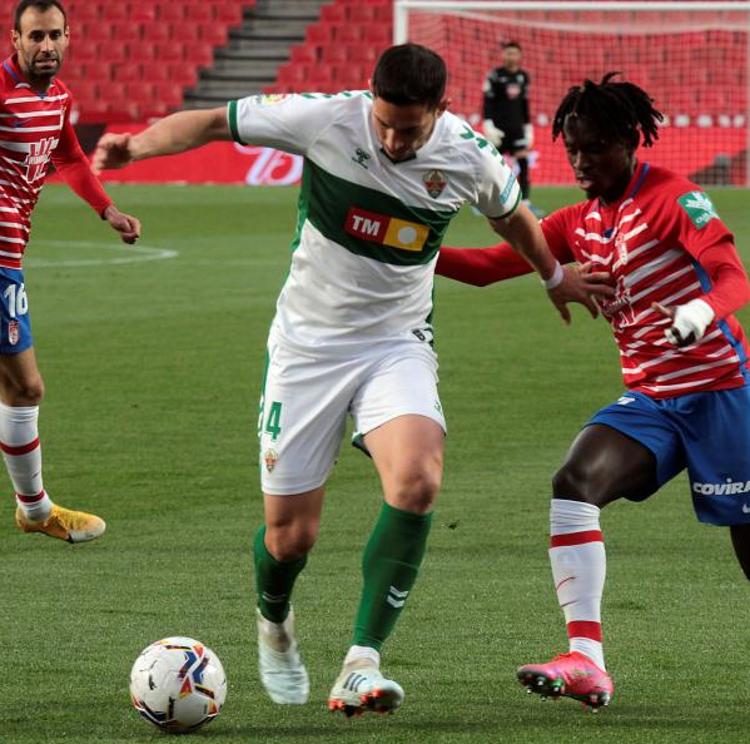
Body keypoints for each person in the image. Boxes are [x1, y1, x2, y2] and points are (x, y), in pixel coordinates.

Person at [92, 44, 610, 715]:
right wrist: (136, 146)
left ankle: (361, 663)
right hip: (306, 350)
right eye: (387, 123)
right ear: (370, 96)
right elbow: (212, 121)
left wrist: (552, 274)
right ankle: (275, 623)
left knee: (418, 480)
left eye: (411, 129)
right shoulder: (325, 120)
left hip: (396, 343)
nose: (396, 140)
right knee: (290, 539)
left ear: (441, 112)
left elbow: (512, 217)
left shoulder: (468, 154)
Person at [436, 72, 750, 711]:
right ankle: (586, 659)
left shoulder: (674, 198)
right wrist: (402, 245)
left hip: (725, 392)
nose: (582, 162)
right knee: (575, 482)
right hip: (655, 402)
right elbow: (489, 268)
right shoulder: (578, 221)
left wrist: (702, 313)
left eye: (596, 148)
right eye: (573, 149)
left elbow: (731, 274)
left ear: (632, 141)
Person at [4, 0, 140, 544]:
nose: (46, 46)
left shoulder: (57, 98)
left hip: (10, 255)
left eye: (55, 35)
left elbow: (68, 156)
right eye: (35, 36)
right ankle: (34, 509)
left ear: (69, 37)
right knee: (25, 387)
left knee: (19, 390)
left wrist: (106, 209)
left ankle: (33, 508)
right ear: (14, 39)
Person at [482, 41, 542, 217]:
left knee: (523, 164)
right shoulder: (494, 76)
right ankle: (486, 201)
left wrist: (528, 126)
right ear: (503, 55)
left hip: (517, 129)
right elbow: (488, 102)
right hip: (498, 130)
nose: (511, 57)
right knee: (493, 166)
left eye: (514, 53)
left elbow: (524, 103)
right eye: (508, 53)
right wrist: (488, 123)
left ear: (520, 56)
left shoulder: (523, 77)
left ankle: (525, 202)